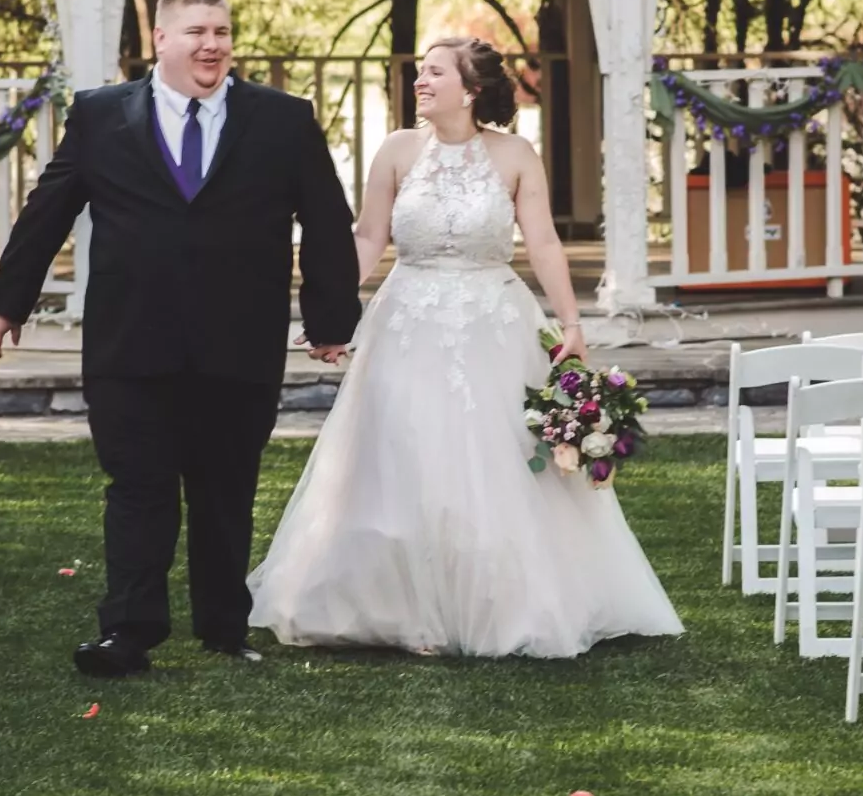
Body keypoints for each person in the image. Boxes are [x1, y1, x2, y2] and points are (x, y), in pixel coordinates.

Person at [248, 37, 682, 657]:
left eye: (433, 73)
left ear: (470, 90)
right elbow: (368, 238)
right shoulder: (396, 150)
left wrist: (572, 325)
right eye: (420, 72)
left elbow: (545, 244)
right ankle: (395, 603)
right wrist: (330, 315)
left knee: (495, 458)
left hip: (493, 322)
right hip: (406, 320)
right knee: (401, 450)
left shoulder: (515, 155)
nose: (419, 81)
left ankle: (505, 602)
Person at [0, 0, 361, 678]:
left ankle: (223, 626)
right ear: (160, 39)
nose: (211, 44)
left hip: (238, 342)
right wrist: (8, 301)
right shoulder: (101, 116)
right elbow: (50, 208)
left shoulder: (282, 119)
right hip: (131, 341)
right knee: (138, 485)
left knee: (226, 489)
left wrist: (331, 318)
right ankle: (127, 631)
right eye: (196, 32)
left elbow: (328, 221)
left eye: (221, 31)